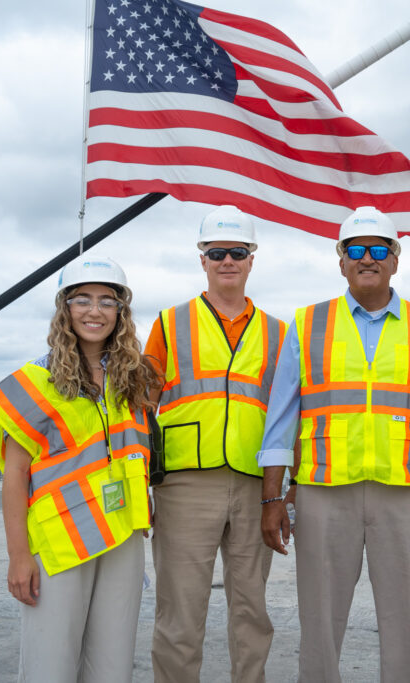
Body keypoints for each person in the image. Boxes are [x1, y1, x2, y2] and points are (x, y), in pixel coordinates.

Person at [256, 206, 410, 683]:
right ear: (341, 261)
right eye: (356, 249)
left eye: (380, 249)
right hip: (323, 493)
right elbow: (280, 419)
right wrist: (273, 497)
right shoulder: (308, 323)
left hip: (405, 493)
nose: (368, 258)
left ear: (396, 260)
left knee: (407, 624)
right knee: (318, 621)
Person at [0, 256, 158, 682]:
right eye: (82, 300)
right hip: (60, 546)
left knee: (112, 666)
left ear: (120, 312)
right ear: (65, 308)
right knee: (50, 667)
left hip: (122, 537)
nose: (94, 311)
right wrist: (19, 556)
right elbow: (15, 476)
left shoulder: (131, 380)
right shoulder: (35, 382)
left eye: (106, 301)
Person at [144, 205, 286, 683]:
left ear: (252, 259)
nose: (228, 260)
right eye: (218, 252)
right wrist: (144, 484)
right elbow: (142, 411)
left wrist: (276, 494)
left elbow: (285, 421)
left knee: (252, 612)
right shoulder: (168, 323)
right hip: (184, 487)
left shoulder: (278, 333)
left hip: (253, 486)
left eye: (238, 252)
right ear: (202, 259)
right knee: (181, 613)